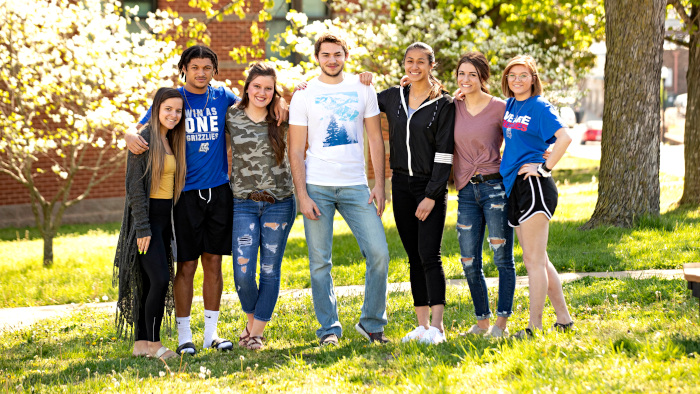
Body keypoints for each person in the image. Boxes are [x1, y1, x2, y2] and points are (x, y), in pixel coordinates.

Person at [124, 45, 288, 354]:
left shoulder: (223, 97)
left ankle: (210, 334)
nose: (201, 73)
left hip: (220, 191)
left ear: (214, 70)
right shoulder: (174, 101)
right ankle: (184, 336)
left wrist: (280, 100)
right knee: (186, 265)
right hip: (184, 195)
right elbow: (140, 127)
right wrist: (126, 134)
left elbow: (256, 99)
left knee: (214, 263)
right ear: (183, 68)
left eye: (207, 67)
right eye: (195, 67)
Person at [288, 32, 391, 346]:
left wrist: (379, 184)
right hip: (317, 187)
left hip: (356, 186)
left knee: (379, 254)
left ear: (346, 55)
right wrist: (302, 194)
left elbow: (375, 139)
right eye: (326, 55)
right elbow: (295, 150)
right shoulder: (304, 93)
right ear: (317, 58)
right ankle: (329, 330)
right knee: (320, 262)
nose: (331, 60)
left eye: (337, 54)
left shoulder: (363, 88)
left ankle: (371, 324)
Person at [378, 42, 455, 345]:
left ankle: (438, 327)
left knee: (429, 255)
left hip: (428, 186)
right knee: (413, 256)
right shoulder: (393, 97)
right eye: (410, 61)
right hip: (400, 184)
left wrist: (432, 195)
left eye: (421, 61)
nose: (414, 66)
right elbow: (356, 99)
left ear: (431, 66)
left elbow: (445, 153)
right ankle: (421, 326)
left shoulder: (443, 103)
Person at [499, 55, 574, 337]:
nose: (517, 80)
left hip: (534, 186)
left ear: (533, 79)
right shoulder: (510, 105)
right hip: (515, 186)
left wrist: (544, 167)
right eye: (512, 75)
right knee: (539, 258)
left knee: (533, 260)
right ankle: (564, 320)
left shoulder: (540, 106)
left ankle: (535, 327)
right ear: (506, 80)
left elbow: (564, 137)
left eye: (523, 75)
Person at [226, 62, 296, 350]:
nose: (262, 92)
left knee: (269, 270)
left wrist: (285, 100)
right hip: (243, 203)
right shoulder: (232, 115)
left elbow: (307, 102)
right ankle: (252, 323)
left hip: (279, 203)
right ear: (247, 87)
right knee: (242, 271)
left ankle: (255, 334)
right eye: (257, 86)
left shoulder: (283, 116)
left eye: (269, 88)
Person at [114, 87, 187, 360]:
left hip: (163, 220)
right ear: (156, 109)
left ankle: (141, 344)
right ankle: (155, 345)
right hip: (146, 222)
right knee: (160, 279)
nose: (173, 114)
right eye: (168, 109)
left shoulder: (171, 139)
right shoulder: (144, 139)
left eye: (178, 110)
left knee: (147, 282)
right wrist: (143, 228)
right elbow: (134, 186)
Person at [452, 52, 515, 338]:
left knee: (502, 258)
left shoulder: (500, 107)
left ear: (483, 78)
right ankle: (481, 323)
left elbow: (522, 137)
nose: (466, 79)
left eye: (472, 75)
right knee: (469, 260)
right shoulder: (453, 106)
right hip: (465, 191)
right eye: (461, 74)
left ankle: (501, 325)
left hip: (495, 189)